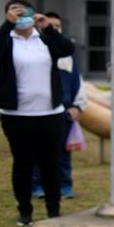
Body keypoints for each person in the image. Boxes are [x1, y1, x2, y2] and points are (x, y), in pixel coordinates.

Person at [0, 0, 75, 225]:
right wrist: (7, 24)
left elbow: (67, 49)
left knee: (51, 163)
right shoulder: (6, 40)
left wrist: (47, 26)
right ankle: (25, 211)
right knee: (23, 164)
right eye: (14, 11)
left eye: (24, 11)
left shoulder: (45, 40)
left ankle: (53, 211)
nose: (20, 15)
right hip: (17, 116)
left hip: (50, 113)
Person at [31, 12, 86, 200]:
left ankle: (65, 185)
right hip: (40, 110)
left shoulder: (67, 54)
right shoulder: (35, 51)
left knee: (64, 153)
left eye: (57, 25)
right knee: (40, 151)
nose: (54, 28)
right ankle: (38, 186)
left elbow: (77, 82)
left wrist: (77, 106)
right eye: (49, 24)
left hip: (64, 112)